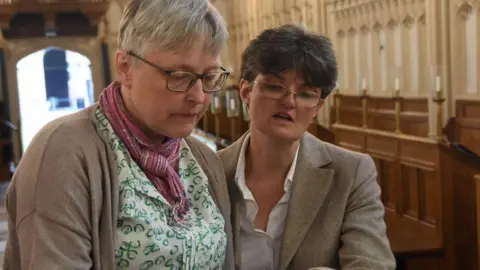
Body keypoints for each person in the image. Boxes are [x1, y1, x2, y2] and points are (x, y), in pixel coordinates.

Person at [3, 0, 235, 269]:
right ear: (125, 67)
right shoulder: (64, 152)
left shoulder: (203, 158)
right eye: (180, 76)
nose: (198, 97)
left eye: (208, 78)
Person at [218, 24, 396, 270]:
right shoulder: (210, 171)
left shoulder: (351, 173)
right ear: (246, 92)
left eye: (305, 94)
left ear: (317, 109)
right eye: (274, 86)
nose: (289, 101)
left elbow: (372, 264)